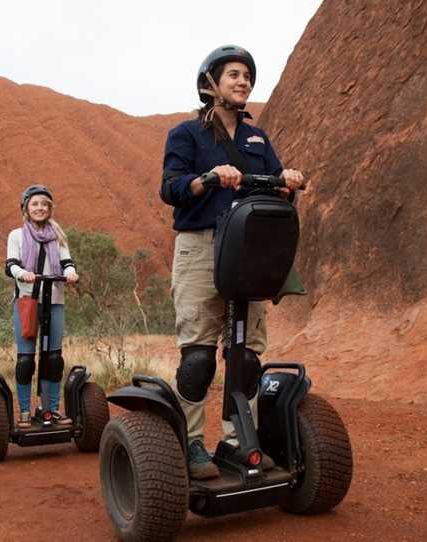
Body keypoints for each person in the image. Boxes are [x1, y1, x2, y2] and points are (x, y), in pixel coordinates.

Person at [159, 45, 306, 480]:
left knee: (246, 355)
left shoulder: (258, 139)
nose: (243, 82)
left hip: (248, 247)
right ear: (211, 84)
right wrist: (207, 178)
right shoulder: (186, 134)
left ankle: (237, 440)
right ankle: (189, 444)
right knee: (199, 356)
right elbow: (171, 188)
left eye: (247, 76)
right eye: (234, 75)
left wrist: (290, 182)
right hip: (201, 245)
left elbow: (277, 183)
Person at [4, 185, 78, 428]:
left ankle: (51, 409)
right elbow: (11, 265)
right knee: (26, 359)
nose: (40, 208)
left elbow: (67, 262)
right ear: (26, 208)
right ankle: (25, 411)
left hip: (54, 300)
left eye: (44, 204)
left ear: (50, 209)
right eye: (35, 204)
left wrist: (70, 272)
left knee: (53, 358)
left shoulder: (58, 236)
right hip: (27, 301)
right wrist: (23, 273)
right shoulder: (16, 235)